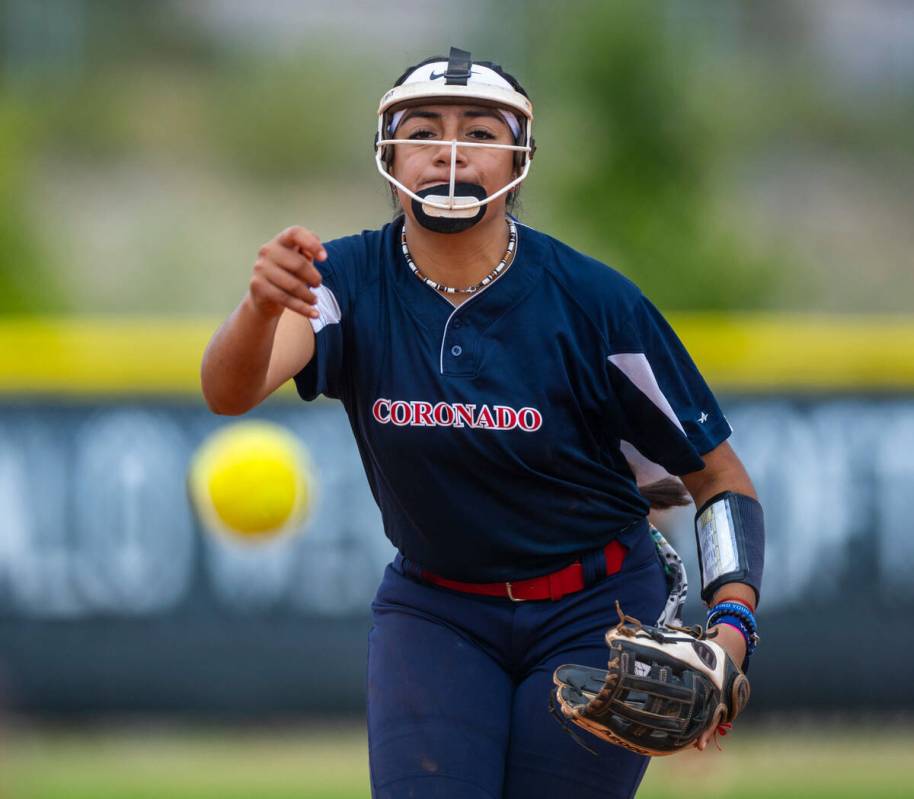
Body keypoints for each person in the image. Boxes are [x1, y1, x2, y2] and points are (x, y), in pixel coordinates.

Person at [201, 47, 765, 799]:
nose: (451, 150)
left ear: (519, 158)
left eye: (481, 132)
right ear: (388, 152)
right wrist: (260, 304)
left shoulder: (595, 303)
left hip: (590, 610)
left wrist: (732, 625)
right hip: (435, 608)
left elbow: (719, 477)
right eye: (425, 130)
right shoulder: (343, 280)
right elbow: (229, 390)